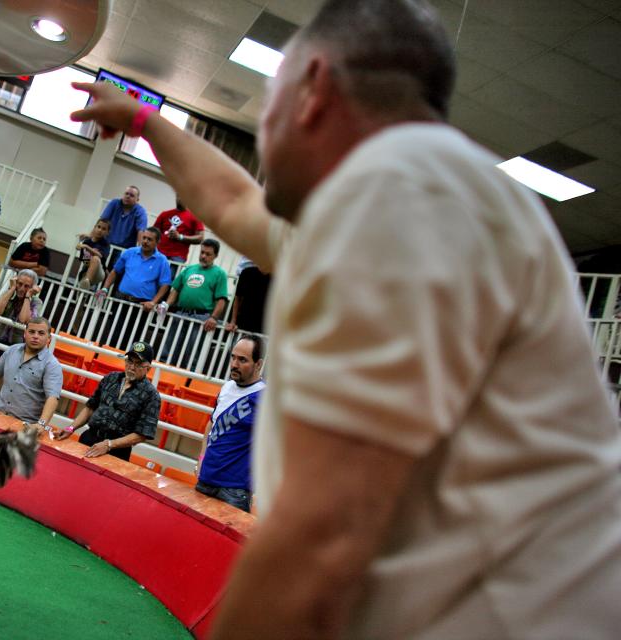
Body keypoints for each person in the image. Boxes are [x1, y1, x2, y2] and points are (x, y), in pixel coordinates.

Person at [70, 1, 621, 638]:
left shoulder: (391, 202)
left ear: (316, 88)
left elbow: (324, 530)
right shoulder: (426, 194)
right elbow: (236, 203)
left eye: (272, 94)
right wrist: (146, 121)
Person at [54, 340, 159, 461]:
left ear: (148, 369)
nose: (132, 367)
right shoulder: (111, 378)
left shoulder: (151, 395)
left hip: (117, 452)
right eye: (129, 361)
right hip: (89, 438)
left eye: (138, 364)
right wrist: (70, 428)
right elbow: (91, 407)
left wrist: (109, 444)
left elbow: (142, 434)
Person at [195, 337, 265, 513]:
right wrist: (202, 458)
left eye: (242, 360)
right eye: (233, 357)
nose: (234, 364)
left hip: (234, 490)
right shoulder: (226, 388)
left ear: (258, 364)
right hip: (205, 480)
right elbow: (211, 424)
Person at [97, 227, 171, 349]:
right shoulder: (130, 252)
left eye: (150, 239)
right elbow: (115, 272)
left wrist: (153, 302)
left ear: (157, 242)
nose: (145, 241)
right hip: (121, 300)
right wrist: (105, 289)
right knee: (114, 335)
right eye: (144, 238)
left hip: (142, 306)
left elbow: (165, 285)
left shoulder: (162, 260)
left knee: (133, 339)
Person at [161, 239, 228, 367]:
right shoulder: (189, 269)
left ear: (216, 256)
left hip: (201, 317)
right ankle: (162, 375)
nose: (203, 256)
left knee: (192, 355)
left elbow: (222, 299)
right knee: (169, 350)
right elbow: (176, 290)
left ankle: (185, 382)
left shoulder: (220, 274)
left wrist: (214, 318)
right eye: (202, 252)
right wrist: (166, 305)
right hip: (181, 313)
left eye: (208, 254)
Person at [225, 257, 270, 336]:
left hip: (263, 325)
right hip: (243, 322)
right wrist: (233, 321)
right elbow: (237, 298)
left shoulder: (277, 279)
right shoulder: (246, 273)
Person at [152, 199, 204, 264]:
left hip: (177, 257)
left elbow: (200, 238)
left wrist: (180, 237)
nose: (180, 198)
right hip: (159, 253)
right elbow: (153, 233)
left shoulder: (194, 217)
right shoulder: (164, 214)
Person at [99, 185, 146, 252]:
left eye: (132, 195)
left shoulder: (140, 212)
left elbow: (141, 231)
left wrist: (139, 251)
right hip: (106, 243)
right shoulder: (114, 203)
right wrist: (92, 237)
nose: (128, 196)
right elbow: (102, 222)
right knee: (92, 258)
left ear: (137, 200)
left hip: (125, 249)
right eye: (126, 193)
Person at [75, 218, 111, 289]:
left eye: (104, 229)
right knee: (81, 291)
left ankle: (87, 281)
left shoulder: (105, 244)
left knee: (95, 258)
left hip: (99, 273)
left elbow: (100, 256)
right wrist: (82, 246)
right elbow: (85, 261)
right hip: (86, 270)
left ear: (107, 232)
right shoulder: (87, 241)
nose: (100, 230)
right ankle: (85, 286)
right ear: (94, 227)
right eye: (98, 227)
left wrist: (87, 247)